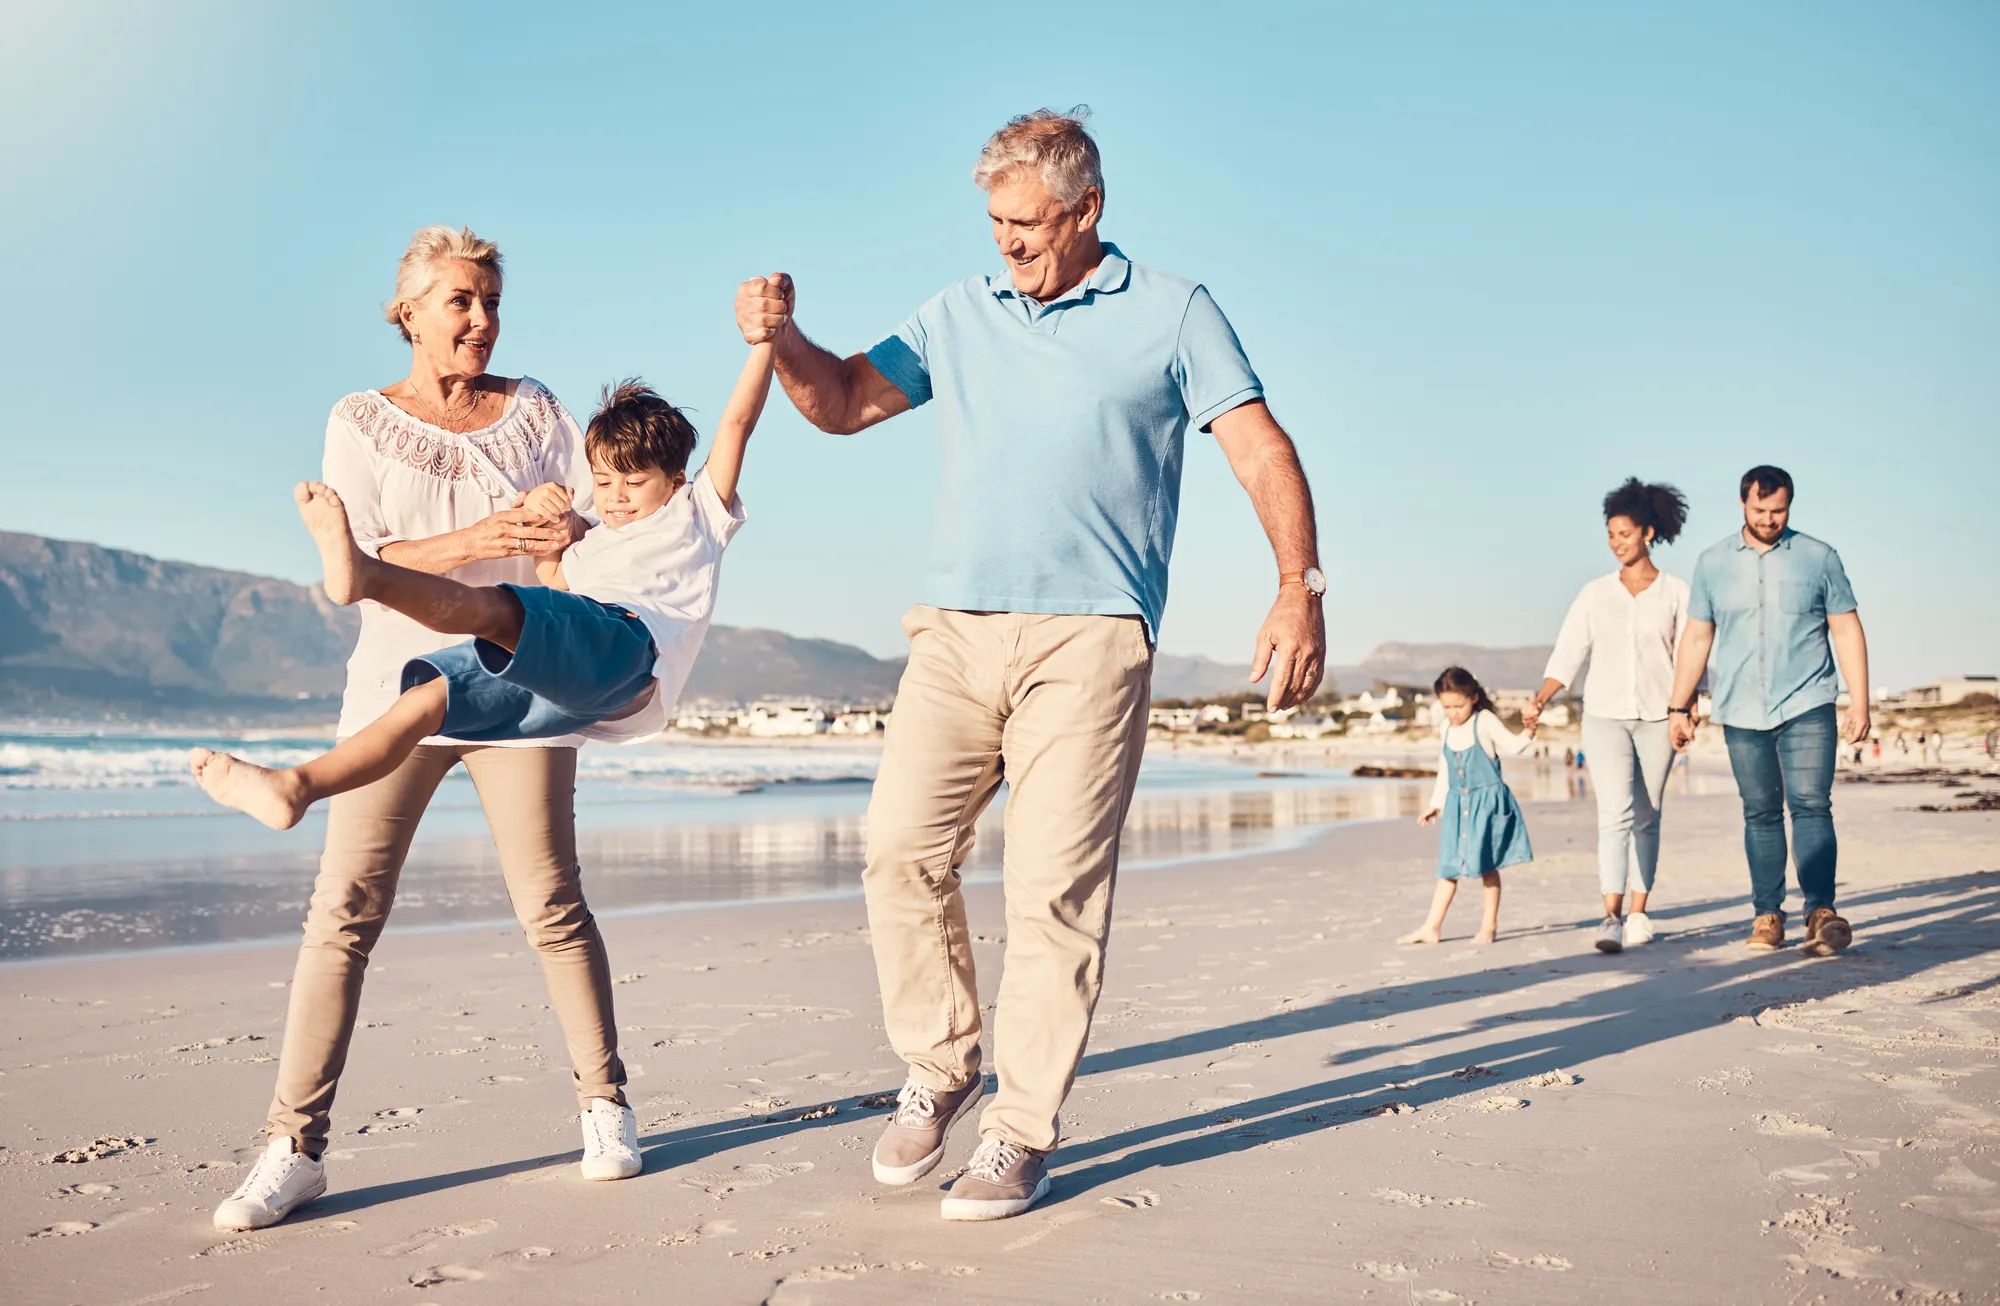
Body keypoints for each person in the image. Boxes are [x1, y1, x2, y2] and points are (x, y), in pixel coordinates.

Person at [734, 109, 1324, 1220]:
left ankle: (1016, 1130)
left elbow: (1259, 447)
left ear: (1087, 208)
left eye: (1025, 224)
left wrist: (1296, 586)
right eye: (994, 223)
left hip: (1091, 636)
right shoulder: (959, 312)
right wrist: (785, 342)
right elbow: (846, 402)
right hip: (953, 632)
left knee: (1051, 891)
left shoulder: (1173, 313)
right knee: (898, 852)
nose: (1005, 244)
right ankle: (939, 1062)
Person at [207, 226, 636, 1232]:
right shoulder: (359, 420)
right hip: (397, 688)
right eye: (459, 302)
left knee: (551, 902)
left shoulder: (538, 412)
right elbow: (364, 558)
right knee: (344, 911)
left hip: (517, 680)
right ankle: (292, 1147)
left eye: (490, 301)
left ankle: (605, 1103)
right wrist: (483, 537)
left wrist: (563, 526)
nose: (480, 319)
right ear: (407, 312)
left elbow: (595, 521)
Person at [192, 355, 765, 827]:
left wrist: (765, 342)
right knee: (425, 700)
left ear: (676, 481)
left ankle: (368, 576)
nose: (614, 497)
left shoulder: (698, 513)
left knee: (500, 612)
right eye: (605, 481)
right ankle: (297, 786)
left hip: (627, 647)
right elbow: (557, 581)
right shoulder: (594, 542)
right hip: (568, 679)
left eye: (634, 483)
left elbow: (737, 423)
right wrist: (545, 531)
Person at [1668, 465, 1870, 956]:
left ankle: (1821, 911)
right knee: (1760, 813)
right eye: (1760, 510)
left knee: (1811, 805)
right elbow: (1697, 636)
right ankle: (1767, 915)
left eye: (1778, 510)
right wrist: (1679, 705)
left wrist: (1860, 700)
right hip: (1741, 709)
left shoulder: (1819, 558)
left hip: (1807, 701)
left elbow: (1845, 627)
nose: (1769, 519)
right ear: (1742, 504)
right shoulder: (1713, 562)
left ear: (1790, 505)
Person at [1524, 478, 1691, 954]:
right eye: (1611, 534)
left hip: (1659, 717)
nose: (1616, 543)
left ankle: (1640, 911)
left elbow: (1689, 657)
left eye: (1625, 533)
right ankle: (1611, 917)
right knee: (1614, 812)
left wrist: (1687, 710)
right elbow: (1568, 654)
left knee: (1648, 814)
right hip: (1604, 717)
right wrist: (1540, 699)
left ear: (1649, 532)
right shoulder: (1594, 594)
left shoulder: (1677, 592)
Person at [1399, 667, 1536, 946]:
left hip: (1486, 805)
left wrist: (1529, 732)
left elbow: (1513, 746)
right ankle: (1431, 927)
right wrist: (1434, 804)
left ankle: (1489, 927)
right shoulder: (1446, 727)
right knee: (1447, 867)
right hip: (1455, 805)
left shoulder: (1483, 720)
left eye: (1458, 705)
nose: (1453, 713)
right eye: (1446, 707)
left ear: (1473, 697)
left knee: (1487, 866)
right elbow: (1444, 770)